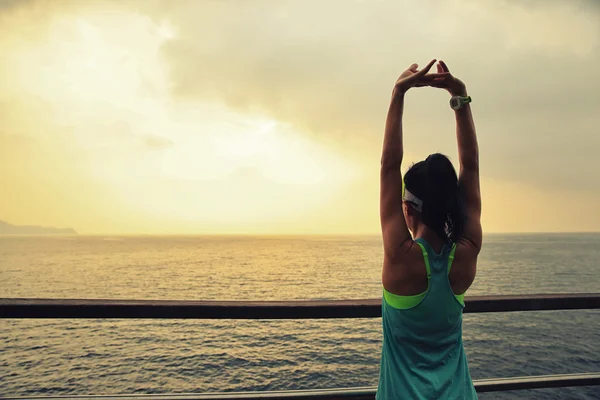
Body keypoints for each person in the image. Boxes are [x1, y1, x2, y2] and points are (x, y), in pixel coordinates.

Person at [377, 59, 482, 399]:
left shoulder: (401, 259)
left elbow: (388, 165)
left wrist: (399, 92)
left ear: (407, 209)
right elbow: (471, 167)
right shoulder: (465, 255)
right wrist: (460, 98)